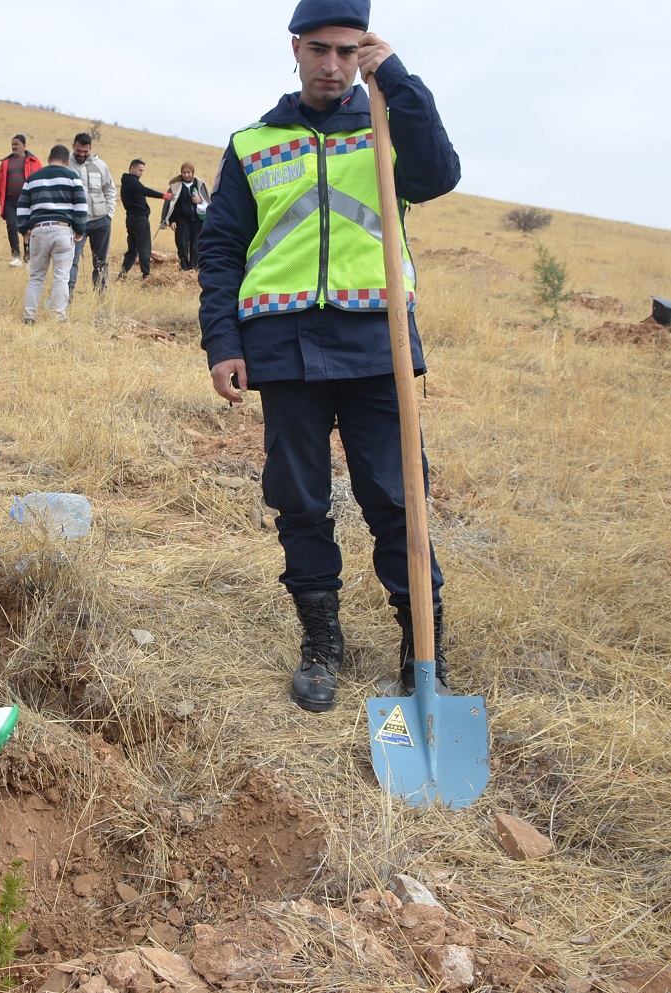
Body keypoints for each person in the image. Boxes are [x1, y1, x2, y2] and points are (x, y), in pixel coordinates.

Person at [198, 0, 460, 713]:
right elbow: (220, 249)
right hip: (282, 349)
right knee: (301, 502)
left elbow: (439, 175)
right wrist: (222, 343)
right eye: (321, 49)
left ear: (364, 51)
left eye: (349, 51)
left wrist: (397, 78)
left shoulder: (385, 124)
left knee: (399, 499)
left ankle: (423, 649)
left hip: (379, 344)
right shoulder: (253, 142)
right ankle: (321, 644)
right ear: (296, 48)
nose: (334, 65)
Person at [17, 145, 86, 323]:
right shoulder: (72, 177)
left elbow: (23, 207)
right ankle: (58, 317)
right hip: (63, 230)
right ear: (67, 162)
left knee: (36, 276)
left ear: (48, 159)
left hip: (38, 230)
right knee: (61, 277)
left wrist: (25, 230)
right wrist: (80, 230)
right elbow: (80, 206)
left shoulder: (32, 179)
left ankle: (29, 316)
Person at [66, 133, 117, 297]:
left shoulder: (100, 165)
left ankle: (100, 297)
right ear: (73, 145)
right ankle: (68, 295)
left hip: (100, 221)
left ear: (90, 149)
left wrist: (109, 214)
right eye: (79, 150)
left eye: (85, 151)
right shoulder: (65, 164)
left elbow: (110, 190)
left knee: (101, 262)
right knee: (71, 260)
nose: (81, 154)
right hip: (75, 223)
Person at [0, 135, 41, 266]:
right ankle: (15, 256)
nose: (13, 147)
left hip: (27, 201)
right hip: (9, 201)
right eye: (12, 144)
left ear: (24, 145)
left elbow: (41, 180)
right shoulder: (6, 162)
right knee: (11, 226)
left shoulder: (34, 161)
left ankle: (28, 258)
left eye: (16, 144)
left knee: (27, 229)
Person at [118, 159, 173, 280]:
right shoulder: (133, 182)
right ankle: (147, 276)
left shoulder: (126, 182)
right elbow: (145, 190)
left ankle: (122, 276)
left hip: (131, 219)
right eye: (140, 170)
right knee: (144, 248)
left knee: (132, 251)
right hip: (139, 219)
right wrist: (163, 196)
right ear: (132, 169)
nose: (141, 173)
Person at [161, 163, 209, 271]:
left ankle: (194, 268)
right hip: (181, 220)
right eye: (184, 172)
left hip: (197, 220)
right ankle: (184, 268)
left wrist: (200, 200)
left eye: (189, 172)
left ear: (193, 172)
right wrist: (172, 221)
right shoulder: (176, 186)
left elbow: (207, 200)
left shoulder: (200, 184)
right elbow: (171, 205)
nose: (186, 175)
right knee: (182, 245)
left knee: (196, 245)